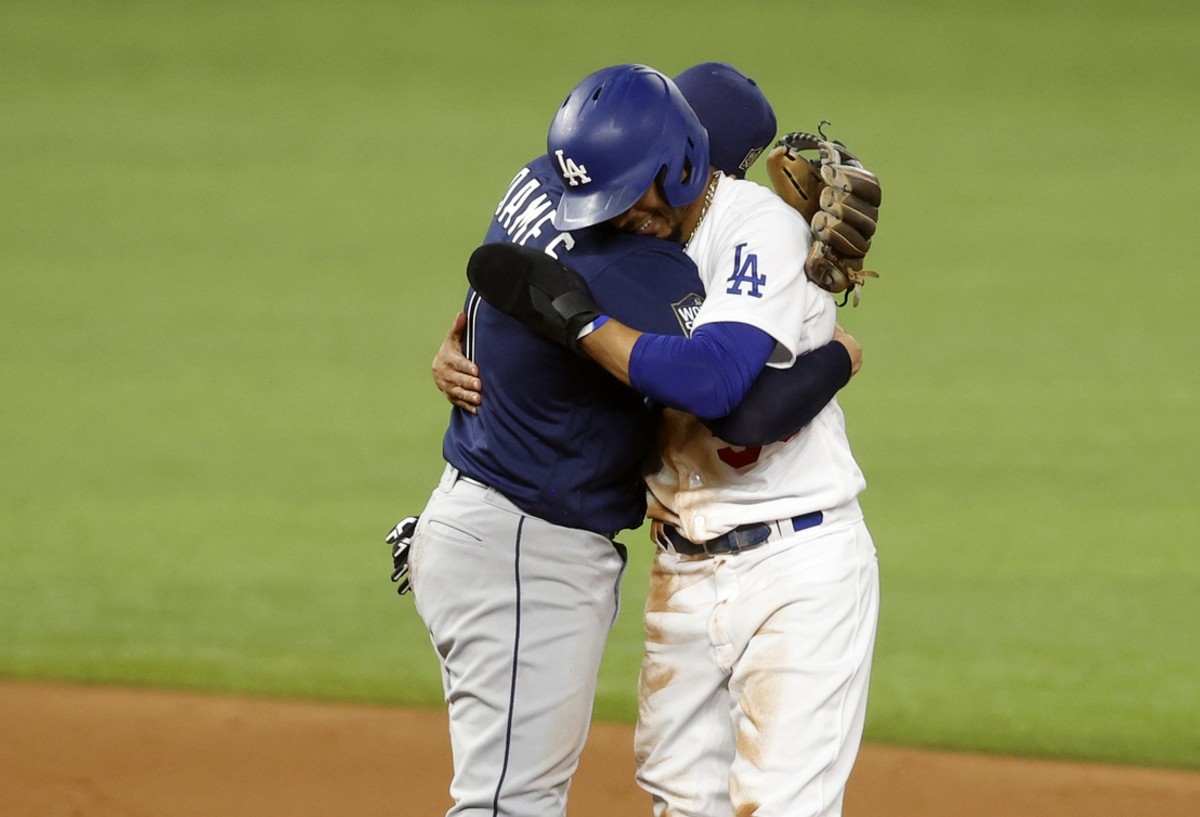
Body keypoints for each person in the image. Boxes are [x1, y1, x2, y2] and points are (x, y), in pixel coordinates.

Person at [400, 64, 860, 817]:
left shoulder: (541, 179)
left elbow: (503, 291)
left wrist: (802, 295)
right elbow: (731, 404)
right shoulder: (645, 264)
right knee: (508, 806)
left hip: (489, 522)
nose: (620, 211)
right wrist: (838, 345)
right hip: (522, 544)